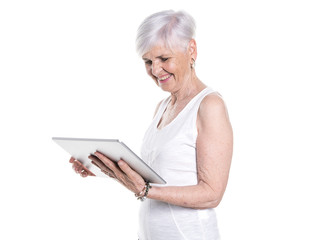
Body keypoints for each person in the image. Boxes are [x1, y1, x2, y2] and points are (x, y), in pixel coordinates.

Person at [70, 10, 233, 240]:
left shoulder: (210, 105)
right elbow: (158, 177)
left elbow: (212, 193)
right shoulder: (162, 107)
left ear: (191, 50)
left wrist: (145, 190)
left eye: (164, 59)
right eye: (148, 61)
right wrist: (103, 168)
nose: (155, 71)